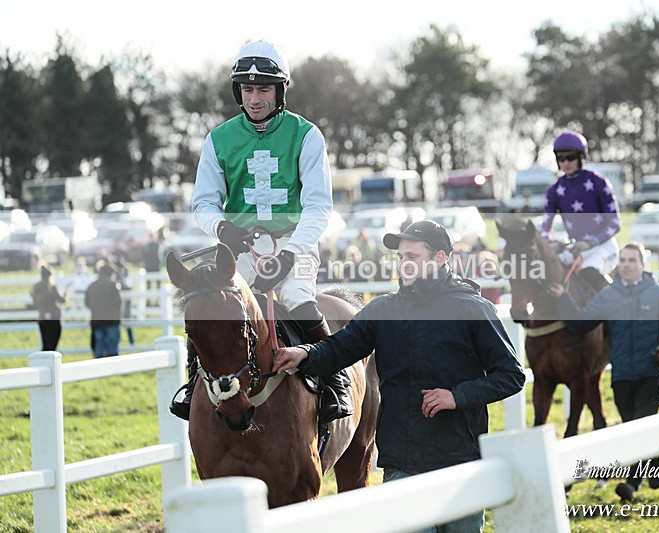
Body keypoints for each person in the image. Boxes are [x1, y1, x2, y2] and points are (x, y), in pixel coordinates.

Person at [272, 221, 526, 532]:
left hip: (459, 459)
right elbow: (338, 349)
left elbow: (511, 375)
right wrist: (306, 354)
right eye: (401, 257)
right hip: (400, 464)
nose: (404, 264)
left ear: (440, 259)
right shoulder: (383, 310)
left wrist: (456, 396)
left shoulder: (471, 308)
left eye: (413, 257)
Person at [174, 39, 351, 423]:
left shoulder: (307, 135)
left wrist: (290, 254)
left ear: (280, 91)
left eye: (264, 89)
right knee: (212, 307)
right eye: (248, 89)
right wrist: (223, 228)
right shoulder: (217, 140)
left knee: (297, 295)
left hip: (294, 243)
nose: (255, 98)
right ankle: (193, 387)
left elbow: (319, 207)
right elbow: (203, 203)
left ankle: (335, 381)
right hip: (239, 247)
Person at [547, 242, 659, 502]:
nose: (626, 265)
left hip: (650, 372)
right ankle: (657, 465)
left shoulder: (657, 293)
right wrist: (563, 298)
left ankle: (631, 485)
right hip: (621, 376)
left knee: (639, 428)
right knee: (633, 428)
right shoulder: (608, 295)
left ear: (642, 265)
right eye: (622, 260)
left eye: (632, 260)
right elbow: (581, 325)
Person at [540, 130, 622, 292]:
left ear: (580, 157)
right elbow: (545, 228)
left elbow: (615, 223)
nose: (566, 163)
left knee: (588, 272)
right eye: (561, 159)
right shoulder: (554, 190)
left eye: (570, 158)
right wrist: (550, 243)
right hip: (575, 249)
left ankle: (616, 307)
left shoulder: (598, 182)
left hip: (603, 247)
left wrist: (592, 242)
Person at [85, 262, 122, 358]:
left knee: (99, 348)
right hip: (112, 321)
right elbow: (118, 303)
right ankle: (113, 370)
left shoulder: (92, 286)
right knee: (113, 349)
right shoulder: (113, 286)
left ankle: (99, 369)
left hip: (97, 321)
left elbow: (87, 303)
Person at [30, 264, 65, 351]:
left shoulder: (36, 288)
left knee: (46, 344)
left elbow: (35, 303)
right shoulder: (51, 287)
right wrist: (66, 295)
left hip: (42, 318)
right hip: (53, 318)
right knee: (52, 344)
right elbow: (60, 300)